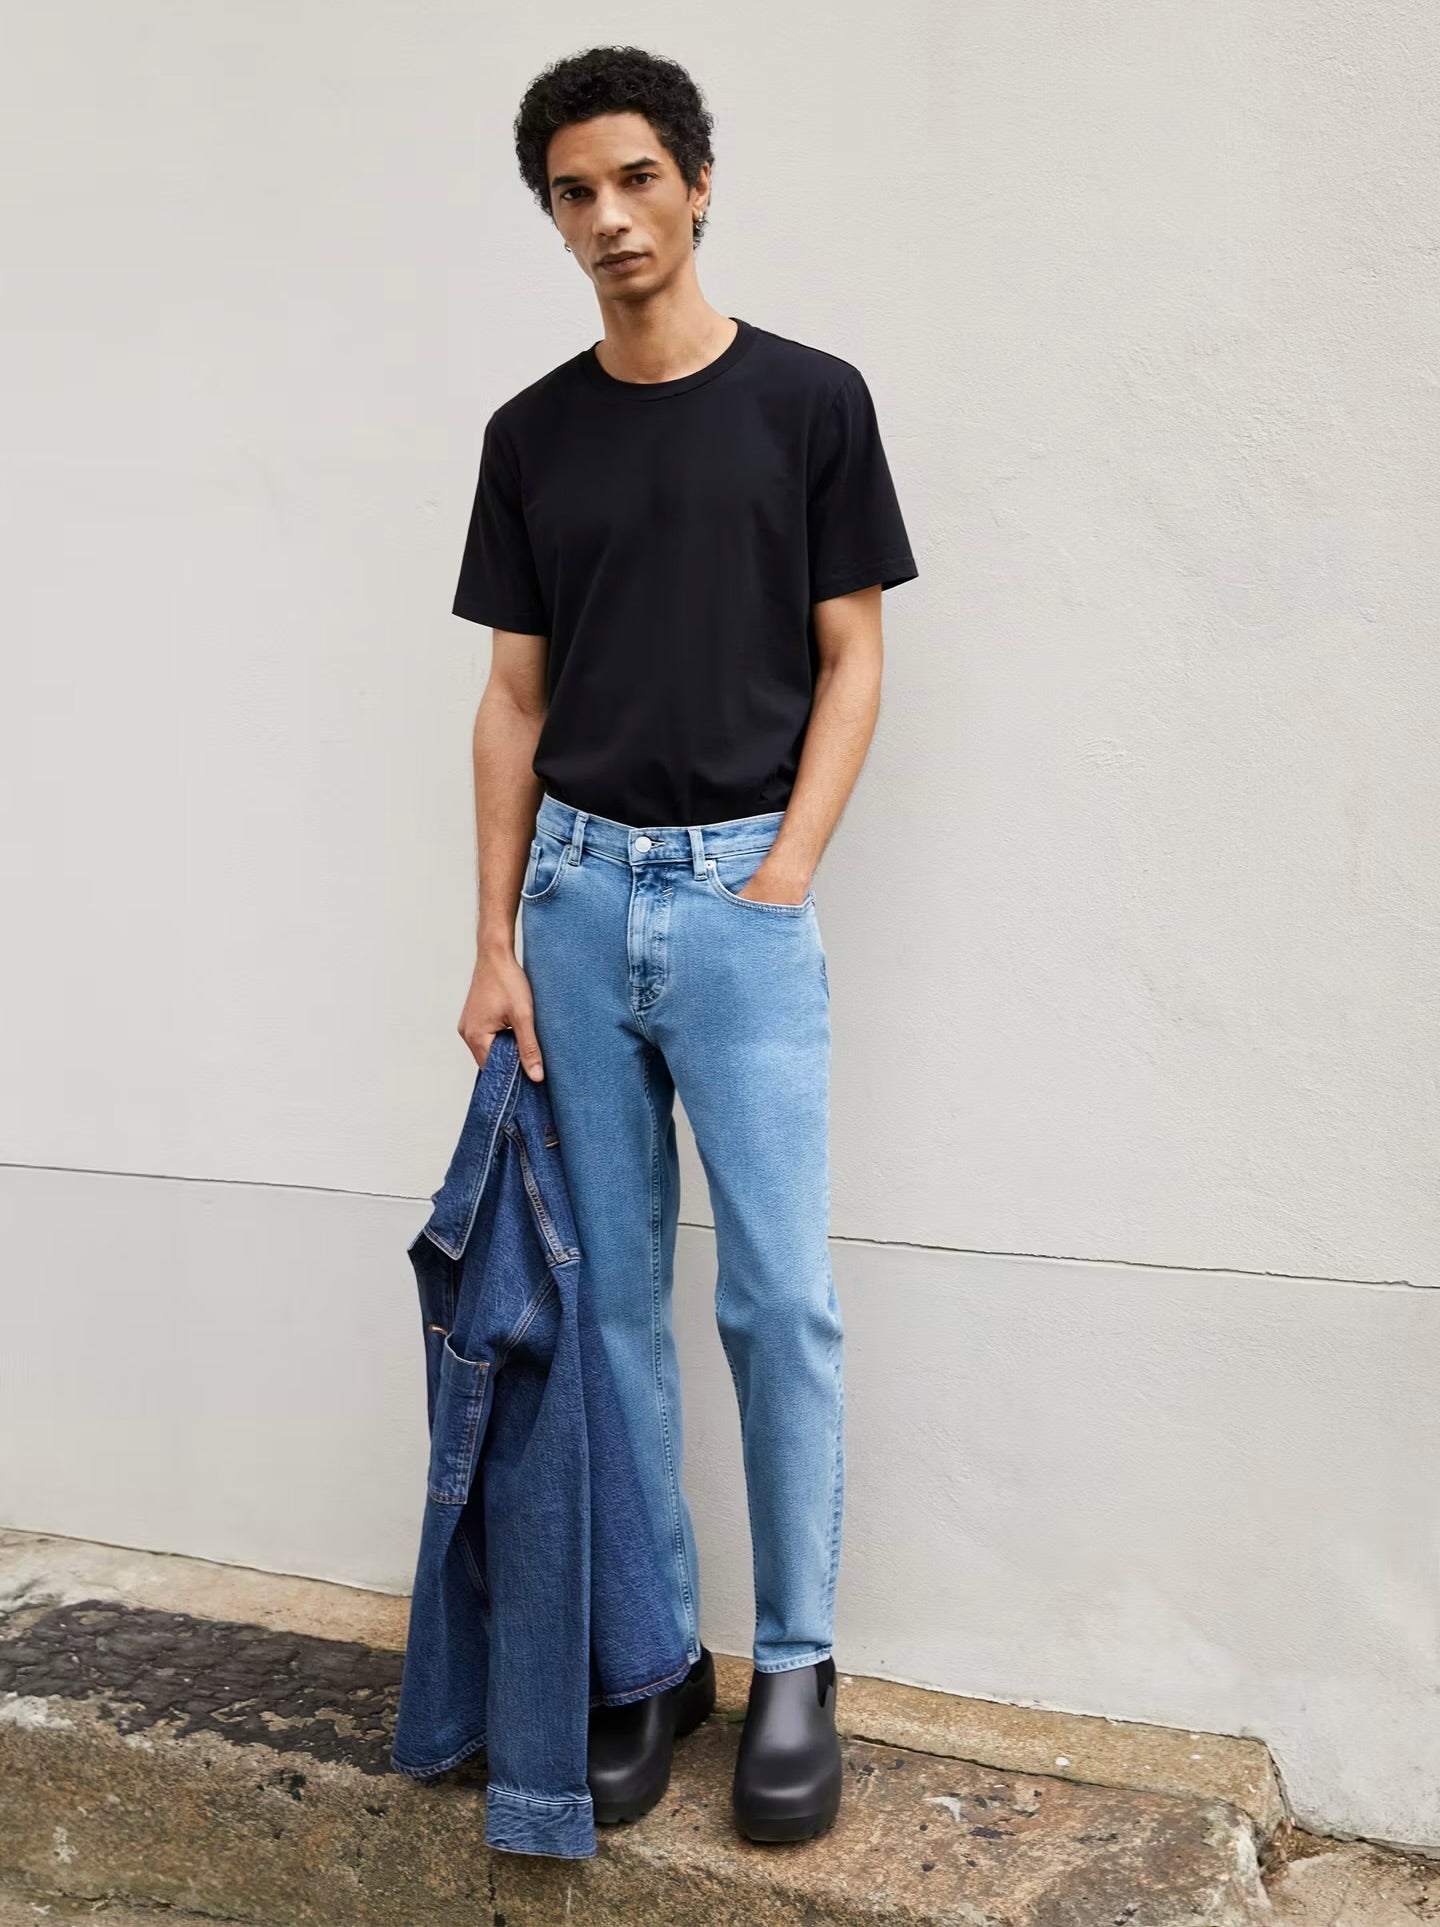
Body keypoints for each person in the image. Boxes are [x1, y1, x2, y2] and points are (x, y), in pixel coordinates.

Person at [450, 44, 918, 1844]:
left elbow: (854, 654)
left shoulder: (808, 403)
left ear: (700, 183)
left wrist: (783, 871)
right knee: (610, 1304)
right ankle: (654, 1661)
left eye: (637, 177)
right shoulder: (531, 436)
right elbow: (513, 701)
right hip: (573, 904)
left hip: (739, 898)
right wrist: (493, 940)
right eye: (574, 191)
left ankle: (797, 1665)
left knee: (777, 1297)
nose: (610, 216)